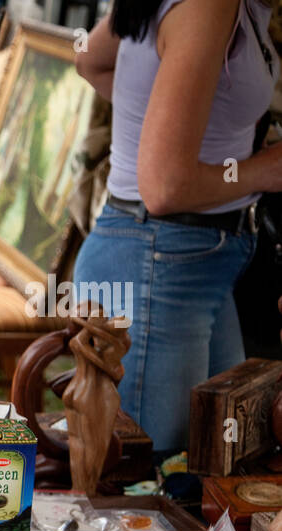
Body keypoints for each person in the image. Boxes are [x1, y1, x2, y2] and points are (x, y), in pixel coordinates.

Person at [73, 0, 282, 453]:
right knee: (155, 485)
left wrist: (181, 128)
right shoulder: (208, 5)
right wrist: (262, 169)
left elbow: (91, 59)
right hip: (160, 258)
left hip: (181, 257)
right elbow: (165, 186)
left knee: (211, 468)